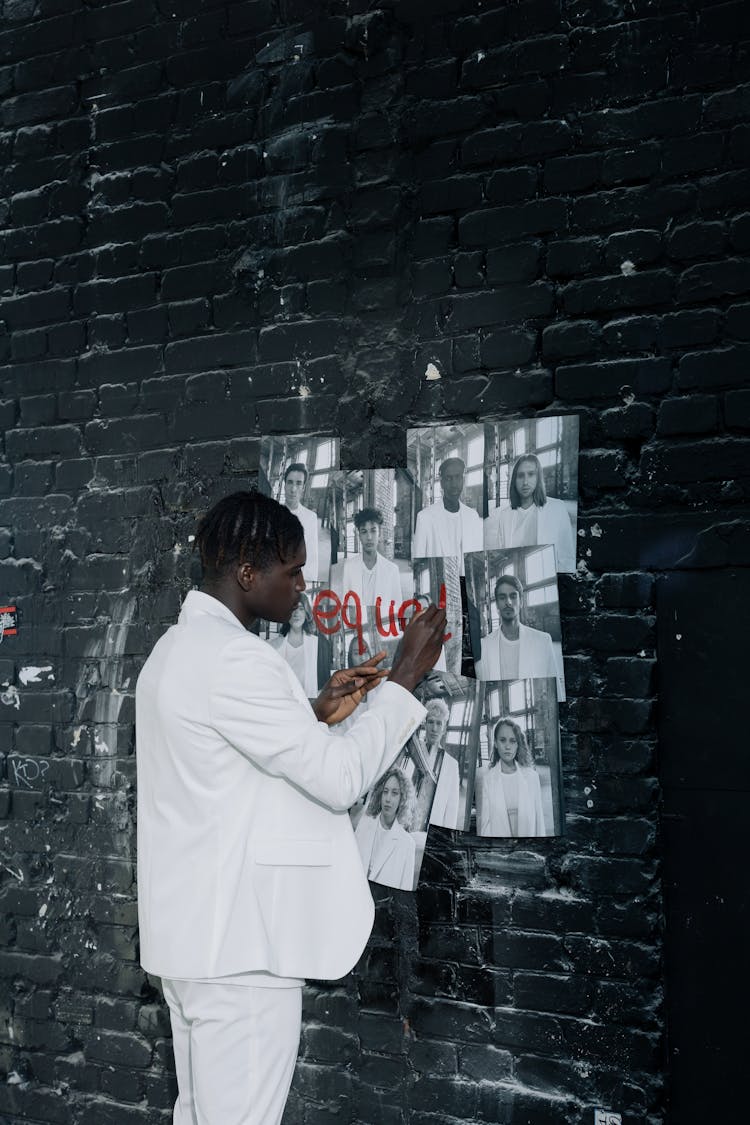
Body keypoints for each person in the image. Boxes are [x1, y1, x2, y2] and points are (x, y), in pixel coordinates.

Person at [136, 490, 445, 1125]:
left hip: (193, 947)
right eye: (293, 570)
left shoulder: (174, 651)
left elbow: (221, 762)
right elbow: (339, 779)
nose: (304, 586)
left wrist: (311, 714)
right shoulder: (240, 661)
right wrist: (405, 680)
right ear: (248, 575)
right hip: (241, 954)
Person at [483, 453, 575, 572]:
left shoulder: (557, 508)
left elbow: (567, 559)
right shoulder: (505, 515)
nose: (525, 482)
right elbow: (504, 553)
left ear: (538, 478)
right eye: (520, 476)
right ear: (514, 480)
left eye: (531, 474)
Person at [475, 574, 563, 698]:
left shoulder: (543, 641)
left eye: (513, 596)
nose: (508, 602)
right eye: (502, 597)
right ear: (497, 605)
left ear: (521, 601)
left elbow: (555, 692)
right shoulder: (484, 645)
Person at [475, 718, 546, 837]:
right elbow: (485, 826)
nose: (507, 746)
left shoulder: (532, 777)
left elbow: (539, 823)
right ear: (496, 744)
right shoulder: (488, 780)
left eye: (513, 741)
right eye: (503, 740)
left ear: (518, 745)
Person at [411, 456, 483, 575]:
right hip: (440, 586)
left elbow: (476, 557)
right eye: (449, 478)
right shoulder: (425, 518)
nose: (454, 484)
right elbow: (419, 563)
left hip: (465, 584)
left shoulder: (473, 517)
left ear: (463, 480)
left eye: (458, 477)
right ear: (442, 482)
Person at [354, 767, 416, 890]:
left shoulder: (408, 845)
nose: (388, 798)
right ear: (379, 794)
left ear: (402, 799)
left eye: (394, 793)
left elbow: (404, 896)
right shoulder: (364, 824)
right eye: (385, 791)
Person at [407, 698, 460, 830]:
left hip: (430, 828)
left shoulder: (451, 765)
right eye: (430, 722)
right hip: (405, 821)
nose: (434, 728)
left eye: (439, 723)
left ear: (444, 728)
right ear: (425, 724)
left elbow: (452, 809)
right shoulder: (413, 751)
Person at [339, 507, 403, 611]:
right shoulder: (349, 567)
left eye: (373, 531)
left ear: (379, 534)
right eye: (364, 531)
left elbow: (398, 608)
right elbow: (344, 605)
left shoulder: (392, 570)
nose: (369, 537)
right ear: (359, 535)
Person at [271, 592, 328, 697]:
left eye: (301, 609)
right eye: (293, 608)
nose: (296, 613)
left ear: (306, 613)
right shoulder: (274, 645)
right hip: (283, 702)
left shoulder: (318, 644)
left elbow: (323, 684)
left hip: (309, 705)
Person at [283, 461, 320, 583]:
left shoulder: (311, 517)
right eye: (290, 482)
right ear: (284, 485)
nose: (293, 489)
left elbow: (312, 558)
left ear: (303, 487)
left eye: (298, 483)